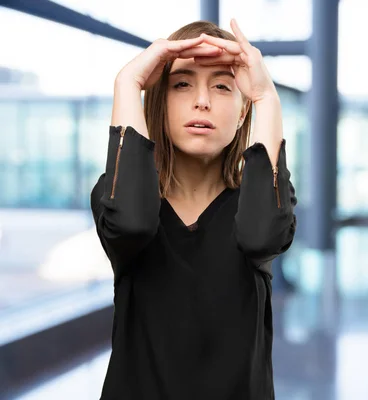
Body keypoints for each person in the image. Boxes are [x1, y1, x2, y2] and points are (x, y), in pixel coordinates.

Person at [90, 19, 296, 399]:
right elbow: (132, 224)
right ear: (159, 103)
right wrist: (128, 82)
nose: (202, 100)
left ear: (241, 113)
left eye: (221, 86)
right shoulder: (117, 193)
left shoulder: (257, 199)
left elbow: (262, 234)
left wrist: (267, 97)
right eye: (181, 84)